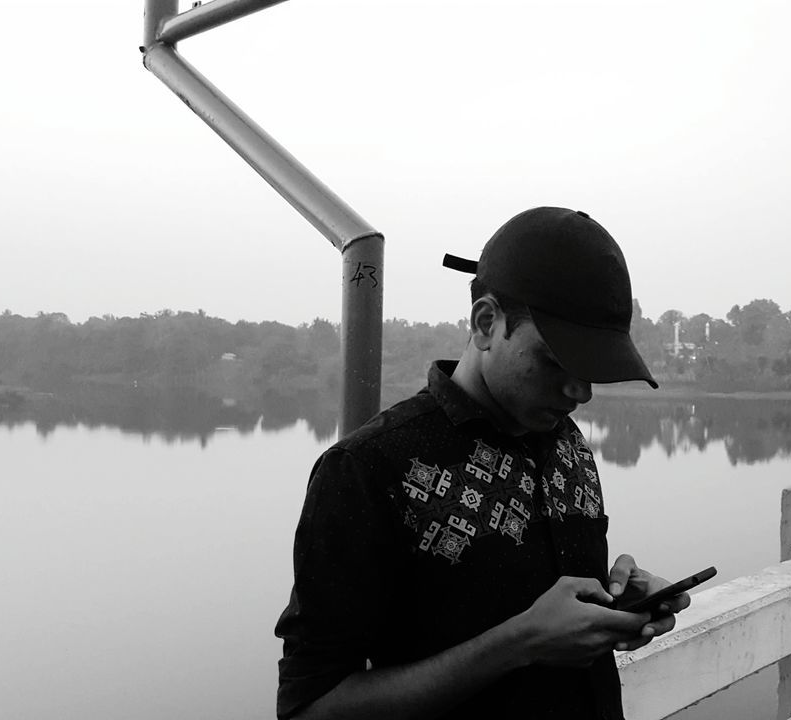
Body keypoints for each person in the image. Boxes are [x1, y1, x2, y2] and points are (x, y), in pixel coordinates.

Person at [275, 207, 691, 720]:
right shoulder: (366, 469)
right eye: (557, 363)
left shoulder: (568, 444)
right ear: (486, 323)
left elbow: (520, 593)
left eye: (593, 371)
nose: (580, 392)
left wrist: (615, 602)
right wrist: (520, 642)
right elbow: (310, 706)